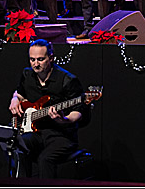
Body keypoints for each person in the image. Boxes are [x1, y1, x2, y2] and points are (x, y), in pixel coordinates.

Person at [8, 40, 88, 179]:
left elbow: (79, 111)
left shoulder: (67, 80)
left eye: (40, 59)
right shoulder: (28, 75)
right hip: (36, 133)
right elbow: (19, 92)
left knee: (45, 159)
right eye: (32, 60)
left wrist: (64, 119)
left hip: (61, 136)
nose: (35, 64)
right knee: (17, 146)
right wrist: (15, 99)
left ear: (50, 58)